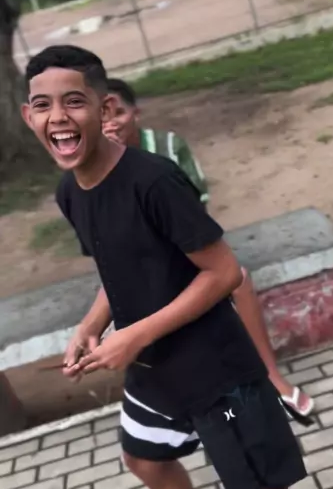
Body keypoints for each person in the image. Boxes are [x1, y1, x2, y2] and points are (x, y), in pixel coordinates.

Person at [22, 44, 333, 489]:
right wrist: (92, 325)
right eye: (43, 105)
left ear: (103, 107)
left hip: (215, 371)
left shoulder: (153, 181)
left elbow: (224, 272)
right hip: (152, 369)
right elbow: (118, 269)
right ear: (29, 117)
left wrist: (133, 335)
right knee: (143, 457)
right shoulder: (71, 191)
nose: (59, 117)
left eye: (74, 101)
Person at [102, 77, 313, 422]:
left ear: (136, 113)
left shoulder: (168, 147)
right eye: (103, 118)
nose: (113, 124)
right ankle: (185, 407)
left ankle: (272, 378)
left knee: (237, 280)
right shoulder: (95, 164)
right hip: (139, 265)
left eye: (120, 113)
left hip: (185, 250)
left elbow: (195, 212)